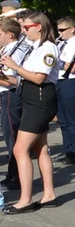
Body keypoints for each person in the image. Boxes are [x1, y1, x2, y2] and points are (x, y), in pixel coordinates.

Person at [0, 11, 60, 213]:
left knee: (19, 150)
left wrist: (14, 66)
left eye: (27, 27)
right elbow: (21, 80)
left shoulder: (48, 47)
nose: (24, 31)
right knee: (40, 148)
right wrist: (4, 75)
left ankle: (25, 199)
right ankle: (49, 194)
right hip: (31, 98)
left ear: (39, 27)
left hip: (40, 100)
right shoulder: (34, 48)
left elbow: (39, 78)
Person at [0, 17, 32, 190]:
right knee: (10, 137)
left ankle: (16, 177)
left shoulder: (15, 51)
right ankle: (13, 174)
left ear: (10, 35)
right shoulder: (9, 48)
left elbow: (12, 80)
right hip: (7, 95)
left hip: (11, 96)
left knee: (12, 137)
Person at [55, 16, 75, 165]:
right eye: (58, 30)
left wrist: (54, 61)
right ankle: (67, 149)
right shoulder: (62, 43)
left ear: (72, 29)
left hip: (69, 81)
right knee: (63, 119)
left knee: (71, 118)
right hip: (59, 81)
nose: (59, 33)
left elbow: (73, 67)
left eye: (62, 30)